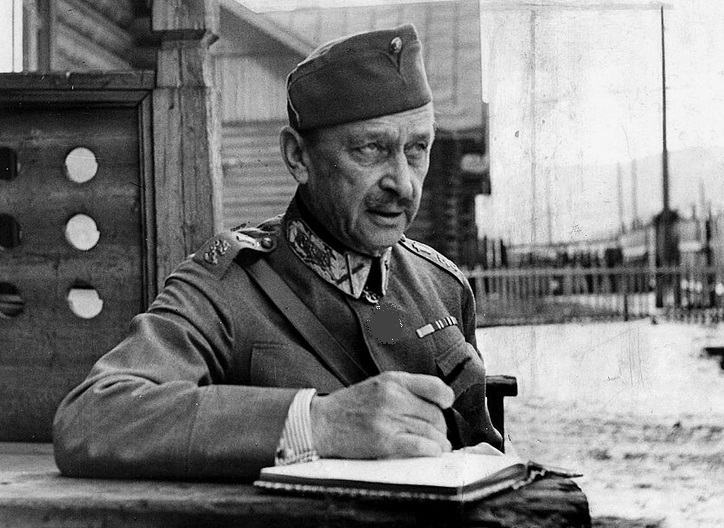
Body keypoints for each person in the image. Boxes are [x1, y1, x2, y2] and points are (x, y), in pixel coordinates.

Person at [53, 24, 502, 481]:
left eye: (417, 148)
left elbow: (483, 448)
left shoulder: (440, 286)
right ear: (297, 157)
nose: (403, 183)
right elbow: (92, 417)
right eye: (371, 148)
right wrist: (319, 423)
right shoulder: (225, 290)